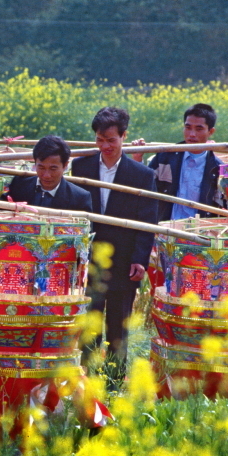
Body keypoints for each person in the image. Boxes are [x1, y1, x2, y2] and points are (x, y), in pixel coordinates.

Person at [70, 106, 159, 383]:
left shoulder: (142, 175)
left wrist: (140, 260)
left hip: (124, 257)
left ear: (124, 137)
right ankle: (88, 378)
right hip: (92, 258)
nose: (105, 146)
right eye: (100, 139)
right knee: (90, 319)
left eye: (111, 140)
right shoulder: (81, 167)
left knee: (118, 323)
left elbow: (148, 221)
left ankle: (116, 380)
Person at [0, 135, 92, 211]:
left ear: (65, 166)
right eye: (41, 167)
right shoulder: (20, 185)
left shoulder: (79, 198)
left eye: (53, 169)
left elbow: (85, 241)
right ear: (34, 163)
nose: (46, 175)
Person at [145, 103, 223, 223]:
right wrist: (137, 158)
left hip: (199, 232)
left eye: (199, 129)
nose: (192, 134)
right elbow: (145, 185)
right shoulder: (165, 157)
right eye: (188, 127)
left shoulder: (217, 168)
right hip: (165, 228)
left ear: (211, 131)